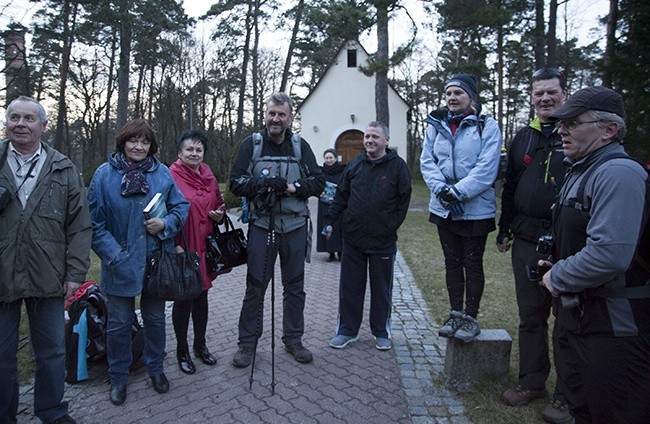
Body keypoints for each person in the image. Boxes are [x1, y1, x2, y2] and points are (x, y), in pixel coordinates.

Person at [539, 86, 650, 423]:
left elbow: (609, 255)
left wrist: (557, 275)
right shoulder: (581, 169)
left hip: (615, 330)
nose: (562, 130)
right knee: (582, 410)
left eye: (573, 122)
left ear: (609, 130)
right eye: (561, 123)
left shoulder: (619, 174)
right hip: (580, 320)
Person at [0, 96, 91, 424]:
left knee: (51, 354)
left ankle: (52, 412)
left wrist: (75, 272)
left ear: (43, 125)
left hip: (47, 276)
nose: (20, 124)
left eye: (28, 118)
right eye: (14, 117)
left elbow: (80, 226)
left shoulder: (63, 168)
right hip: (2, 275)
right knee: (2, 357)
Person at [87, 119, 189, 406]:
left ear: (151, 146)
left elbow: (181, 207)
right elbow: (94, 223)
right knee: (118, 323)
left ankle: (156, 369)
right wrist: (114, 255)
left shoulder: (162, 173)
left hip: (156, 261)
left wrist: (166, 223)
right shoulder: (104, 175)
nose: (138, 146)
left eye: (144, 142)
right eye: (133, 140)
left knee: (155, 319)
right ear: (123, 143)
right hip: (119, 263)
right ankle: (118, 376)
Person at [229, 92, 325, 367]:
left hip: (295, 226)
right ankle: (247, 344)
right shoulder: (252, 145)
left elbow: (318, 182)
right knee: (256, 286)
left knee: (295, 287)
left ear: (290, 117)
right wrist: (263, 184)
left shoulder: (300, 146)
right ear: (265, 114)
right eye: (272, 113)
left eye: (282, 114)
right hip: (262, 225)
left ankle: (293, 339)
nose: (276, 119)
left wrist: (293, 188)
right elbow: (235, 183)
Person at [497, 68, 571, 423]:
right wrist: (504, 229)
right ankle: (531, 382)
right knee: (530, 316)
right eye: (538, 93)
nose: (545, 98)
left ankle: (567, 395)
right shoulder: (523, 137)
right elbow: (510, 188)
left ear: (564, 93)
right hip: (526, 237)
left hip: (566, 241)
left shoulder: (576, 133)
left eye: (551, 92)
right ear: (532, 96)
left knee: (568, 319)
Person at [420, 73, 502, 343]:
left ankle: (471, 316)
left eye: (459, 93)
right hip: (444, 206)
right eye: (449, 94)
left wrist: (458, 192)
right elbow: (427, 161)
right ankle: (455, 312)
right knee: (451, 262)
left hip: (475, 208)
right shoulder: (435, 125)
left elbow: (486, 167)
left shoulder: (486, 126)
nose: (452, 98)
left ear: (471, 97)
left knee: (472, 263)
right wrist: (443, 190)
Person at [324, 122, 411, 351]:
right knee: (350, 288)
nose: (369, 140)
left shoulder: (398, 167)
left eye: (375, 136)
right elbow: (341, 196)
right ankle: (347, 330)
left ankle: (381, 331)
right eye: (367, 137)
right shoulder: (354, 166)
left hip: (382, 241)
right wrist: (331, 221)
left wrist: (390, 226)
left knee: (381, 289)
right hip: (352, 240)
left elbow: (403, 201)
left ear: (386, 140)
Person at [169, 130, 226, 375]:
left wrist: (220, 214)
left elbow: (219, 203)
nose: (194, 153)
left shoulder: (210, 176)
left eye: (198, 150)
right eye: (189, 149)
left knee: (201, 298)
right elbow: (162, 211)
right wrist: (174, 245)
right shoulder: (170, 176)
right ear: (180, 153)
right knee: (183, 300)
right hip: (183, 245)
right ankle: (181, 351)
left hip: (205, 246)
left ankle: (200, 346)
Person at [316, 148, 345, 262]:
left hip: (339, 204)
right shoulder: (320, 172)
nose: (328, 160)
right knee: (326, 226)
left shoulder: (342, 171)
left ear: (335, 158)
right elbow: (316, 184)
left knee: (339, 227)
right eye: (326, 158)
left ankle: (340, 251)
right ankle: (330, 252)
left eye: (331, 158)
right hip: (325, 204)